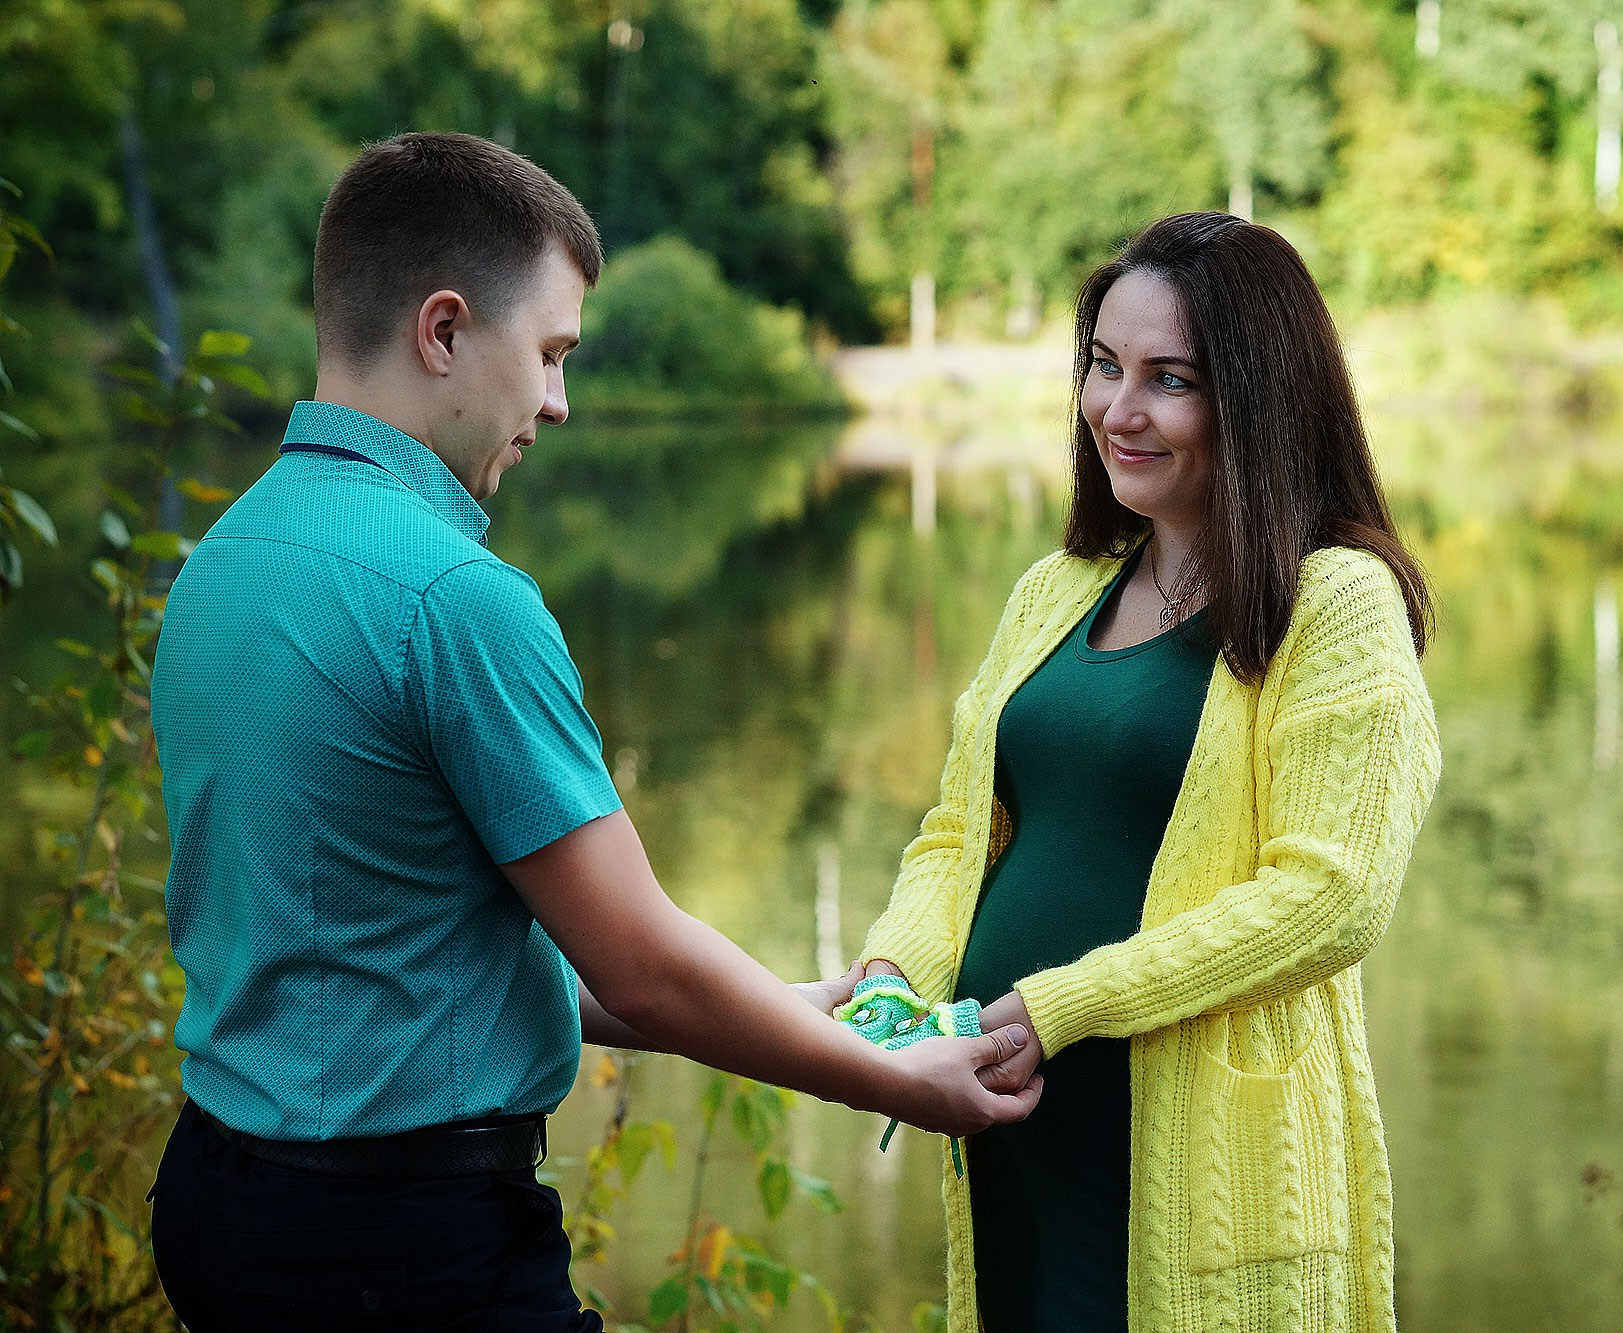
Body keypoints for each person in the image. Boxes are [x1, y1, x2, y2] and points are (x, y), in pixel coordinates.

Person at [146, 131, 1041, 1332]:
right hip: (399, 1254)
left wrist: (784, 1005)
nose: (559, 403)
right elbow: (643, 968)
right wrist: (891, 1076)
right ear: (445, 330)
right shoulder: (451, 600)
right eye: (552, 353)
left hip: (221, 1203)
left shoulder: (221, 562)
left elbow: (413, 950)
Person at [856, 211, 1442, 1333]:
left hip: (1194, 1146)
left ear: (1258, 399)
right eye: (1102, 365)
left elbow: (1331, 896)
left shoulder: (1337, 601)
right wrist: (893, 974)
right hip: (1018, 1120)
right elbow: (957, 834)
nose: (1115, 411)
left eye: (1167, 379)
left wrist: (1065, 1003)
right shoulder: (1056, 587)